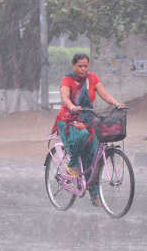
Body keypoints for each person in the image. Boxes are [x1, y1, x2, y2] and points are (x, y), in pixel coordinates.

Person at [51, 53, 124, 206]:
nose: (83, 69)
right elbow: (65, 96)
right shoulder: (67, 80)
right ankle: (72, 165)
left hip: (87, 118)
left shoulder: (92, 78)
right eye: (80, 66)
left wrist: (116, 103)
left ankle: (95, 195)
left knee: (94, 156)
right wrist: (71, 106)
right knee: (83, 135)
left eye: (85, 66)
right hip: (69, 120)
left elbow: (104, 94)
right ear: (74, 66)